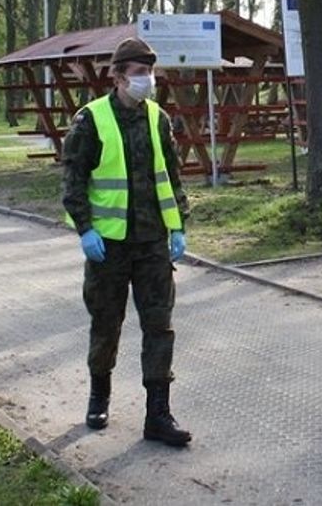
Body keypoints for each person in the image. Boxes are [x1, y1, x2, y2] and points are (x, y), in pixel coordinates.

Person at [62, 36, 193, 446]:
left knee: (160, 326)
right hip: (109, 245)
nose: (147, 81)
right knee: (106, 323)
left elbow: (171, 176)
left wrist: (179, 225)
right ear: (117, 77)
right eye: (139, 74)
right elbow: (73, 182)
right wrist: (85, 230)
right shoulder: (91, 119)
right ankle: (99, 397)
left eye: (150, 73)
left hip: (153, 243)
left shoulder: (158, 119)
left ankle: (158, 415)